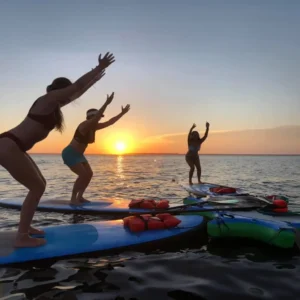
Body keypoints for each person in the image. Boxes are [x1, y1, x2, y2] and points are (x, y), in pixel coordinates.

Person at [0, 52, 115, 248]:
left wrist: (96, 76)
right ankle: (21, 237)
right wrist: (98, 68)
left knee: (40, 184)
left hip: (14, 146)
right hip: (8, 145)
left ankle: (25, 229)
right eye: (67, 91)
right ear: (61, 89)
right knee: (37, 187)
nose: (70, 97)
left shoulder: (54, 105)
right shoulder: (48, 99)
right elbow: (76, 88)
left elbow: (78, 91)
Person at [61, 92, 130, 205]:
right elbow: (97, 117)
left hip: (79, 155)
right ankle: (73, 199)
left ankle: (80, 197)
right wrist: (106, 103)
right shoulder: (84, 125)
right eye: (97, 117)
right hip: (70, 153)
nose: (99, 119)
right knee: (82, 175)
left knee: (89, 174)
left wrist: (122, 113)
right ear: (91, 117)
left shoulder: (94, 127)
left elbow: (110, 122)